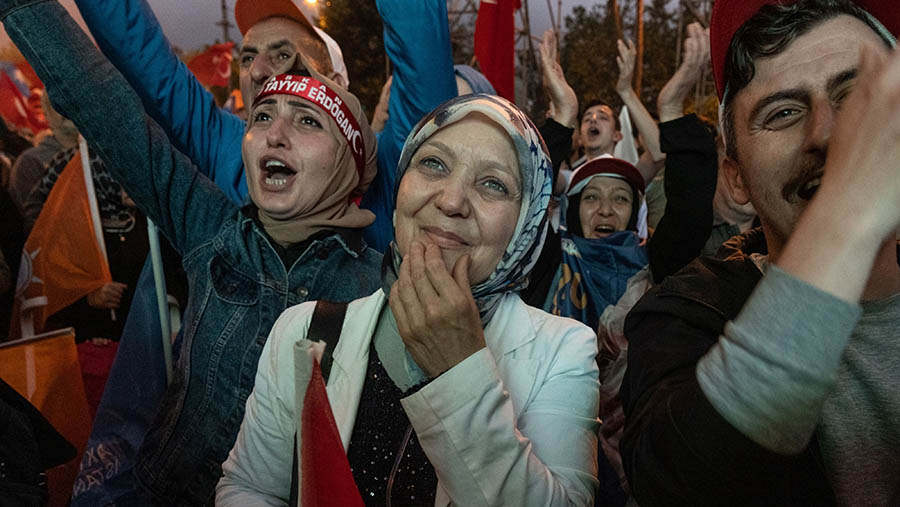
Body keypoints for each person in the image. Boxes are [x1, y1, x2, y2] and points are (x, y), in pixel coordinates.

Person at [0, 2, 387, 503]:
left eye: (308, 122)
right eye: (263, 115)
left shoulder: (381, 293)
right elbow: (100, 101)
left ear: (349, 162)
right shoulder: (210, 231)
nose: (274, 132)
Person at [217, 93, 600, 506]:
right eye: (433, 164)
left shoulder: (564, 351)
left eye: (494, 184)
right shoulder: (304, 329)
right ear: (399, 194)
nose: (451, 201)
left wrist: (458, 368)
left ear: (526, 224)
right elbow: (250, 489)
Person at [620, 1, 900, 505]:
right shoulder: (681, 318)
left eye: (857, 95)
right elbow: (677, 483)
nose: (829, 132)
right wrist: (845, 214)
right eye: (784, 112)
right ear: (736, 177)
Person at [74, 0, 458, 252]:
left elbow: (421, 48)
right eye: (247, 58)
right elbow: (143, 56)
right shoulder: (227, 147)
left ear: (336, 85)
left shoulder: (394, 166)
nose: (258, 72)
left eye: (283, 55)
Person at [7, 92, 73, 214]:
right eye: (58, 109)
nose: (67, 116)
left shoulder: (102, 148)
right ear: (47, 114)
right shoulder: (30, 163)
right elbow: (36, 221)